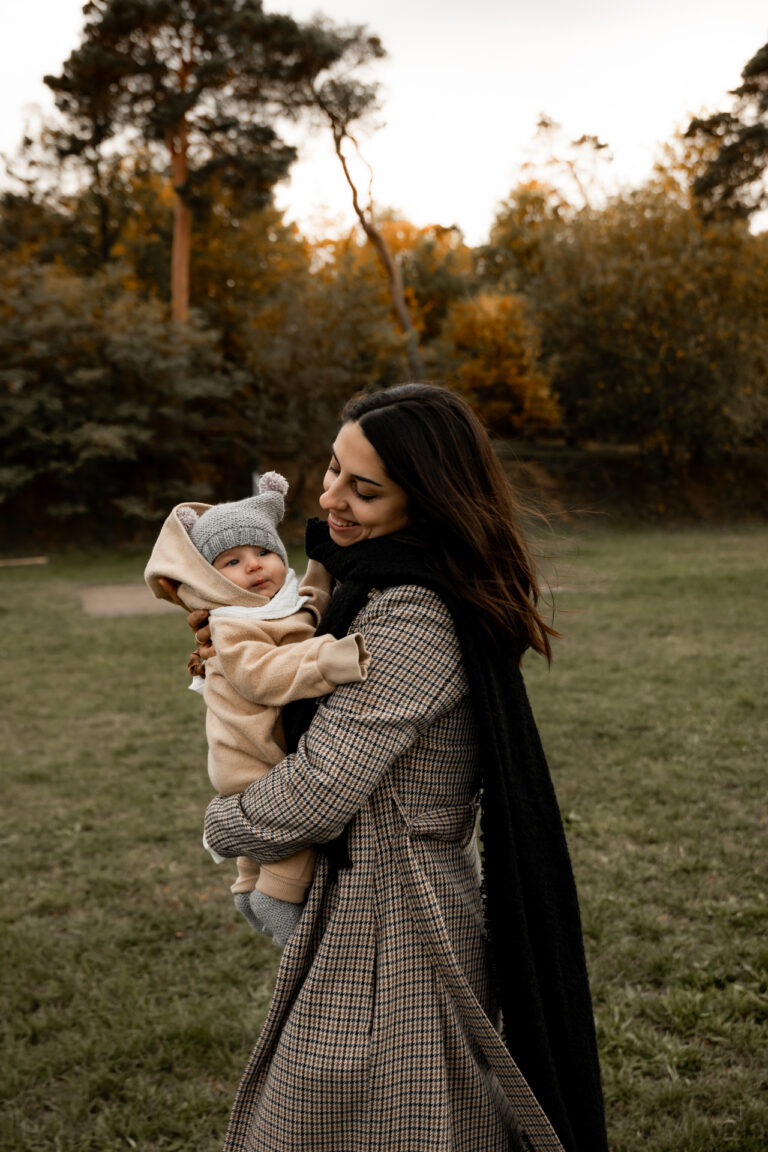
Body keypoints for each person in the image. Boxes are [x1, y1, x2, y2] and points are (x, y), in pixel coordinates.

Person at [195, 384, 609, 1152]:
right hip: (361, 897)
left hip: (400, 919)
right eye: (332, 470)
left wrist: (226, 825)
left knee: (382, 1118)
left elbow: (322, 788)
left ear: (429, 497)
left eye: (365, 487)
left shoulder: (413, 611)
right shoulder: (367, 581)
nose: (332, 498)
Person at [144, 472, 370, 946]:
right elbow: (261, 674)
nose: (254, 566)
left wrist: (320, 570)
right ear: (209, 576)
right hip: (251, 758)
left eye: (263, 553)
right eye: (233, 561)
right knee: (296, 835)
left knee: (259, 854)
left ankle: (248, 888)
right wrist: (325, 659)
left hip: (251, 752)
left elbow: (310, 609)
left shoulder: (269, 604)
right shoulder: (232, 623)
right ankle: (278, 899)